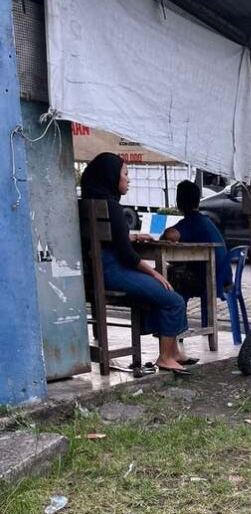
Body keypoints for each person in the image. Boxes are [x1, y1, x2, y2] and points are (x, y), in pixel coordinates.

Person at [80, 152, 193, 374]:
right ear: (111, 177)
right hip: (114, 271)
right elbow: (127, 256)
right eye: (125, 173)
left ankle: (175, 353)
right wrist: (154, 273)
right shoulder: (111, 207)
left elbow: (106, 241)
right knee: (172, 298)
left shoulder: (88, 204)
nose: (128, 179)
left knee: (163, 294)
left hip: (96, 271)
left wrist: (129, 236)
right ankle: (165, 357)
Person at [162, 180, 231, 301]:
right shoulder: (205, 220)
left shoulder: (191, 222)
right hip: (224, 277)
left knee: (162, 278)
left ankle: (175, 315)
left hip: (210, 280)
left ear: (179, 202)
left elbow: (169, 235)